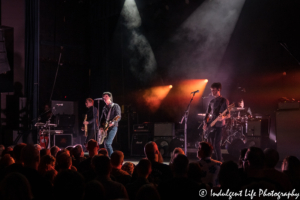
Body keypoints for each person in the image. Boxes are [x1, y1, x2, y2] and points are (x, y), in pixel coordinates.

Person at [203, 82, 230, 161]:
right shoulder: (211, 102)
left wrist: (223, 117)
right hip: (211, 125)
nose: (212, 92)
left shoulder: (224, 101)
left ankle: (219, 161)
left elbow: (228, 115)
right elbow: (207, 114)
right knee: (209, 144)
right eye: (211, 90)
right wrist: (205, 123)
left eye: (214, 90)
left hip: (220, 126)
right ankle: (209, 160)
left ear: (219, 90)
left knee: (216, 144)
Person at [99, 92, 121, 156]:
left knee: (108, 143)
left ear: (110, 97)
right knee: (105, 143)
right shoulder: (104, 108)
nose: (104, 98)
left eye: (106, 96)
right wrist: (101, 126)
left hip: (113, 127)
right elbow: (102, 118)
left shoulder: (115, 106)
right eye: (103, 96)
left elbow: (118, 116)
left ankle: (112, 158)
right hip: (106, 127)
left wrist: (113, 122)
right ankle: (108, 157)